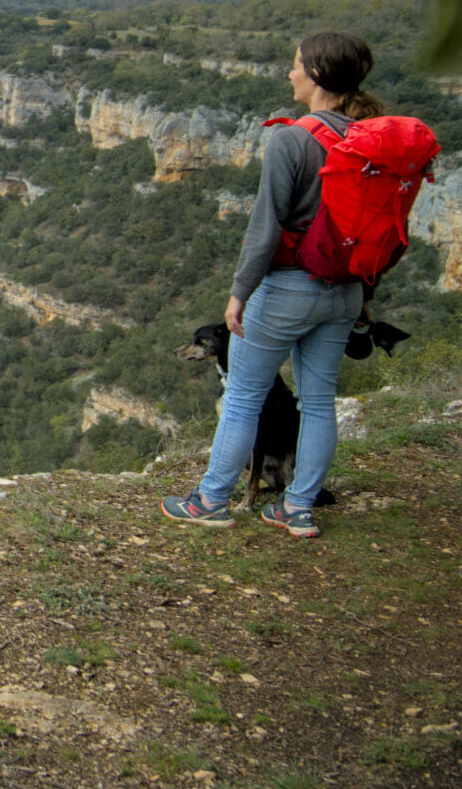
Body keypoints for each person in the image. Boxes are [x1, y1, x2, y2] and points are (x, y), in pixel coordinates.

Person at [162, 31, 385, 537]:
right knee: (319, 400)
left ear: (318, 76)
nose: (290, 73)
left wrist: (239, 292)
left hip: (287, 288)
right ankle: (298, 508)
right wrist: (364, 299)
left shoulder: (292, 137)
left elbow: (264, 227)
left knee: (243, 397)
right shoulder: (370, 138)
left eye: (296, 65)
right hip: (345, 290)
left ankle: (210, 501)